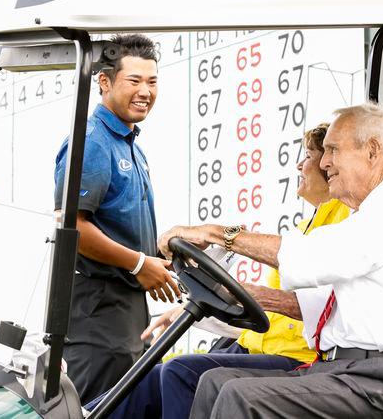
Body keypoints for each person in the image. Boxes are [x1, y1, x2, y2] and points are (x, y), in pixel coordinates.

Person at [160, 102, 383, 419]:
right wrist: (244, 294)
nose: (324, 162)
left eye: (333, 150)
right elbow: (322, 305)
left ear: (371, 151)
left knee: (241, 396)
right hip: (353, 372)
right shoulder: (371, 214)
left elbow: (311, 257)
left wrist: (218, 234)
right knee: (215, 381)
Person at [85, 123, 351, 419]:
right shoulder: (305, 229)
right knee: (151, 373)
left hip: (297, 359)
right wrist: (202, 310)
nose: (301, 164)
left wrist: (216, 300)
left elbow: (302, 311)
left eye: (310, 156)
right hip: (258, 347)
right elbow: (268, 317)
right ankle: (81, 414)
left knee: (179, 373)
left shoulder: (340, 224)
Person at [53, 33, 180, 404]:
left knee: (133, 405)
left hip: (127, 306)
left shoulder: (130, 145)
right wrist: (139, 262)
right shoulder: (93, 141)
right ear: (105, 82)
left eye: (152, 81)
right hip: (97, 308)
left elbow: (118, 224)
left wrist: (156, 254)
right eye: (134, 81)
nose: (145, 91)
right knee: (101, 407)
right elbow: (72, 225)